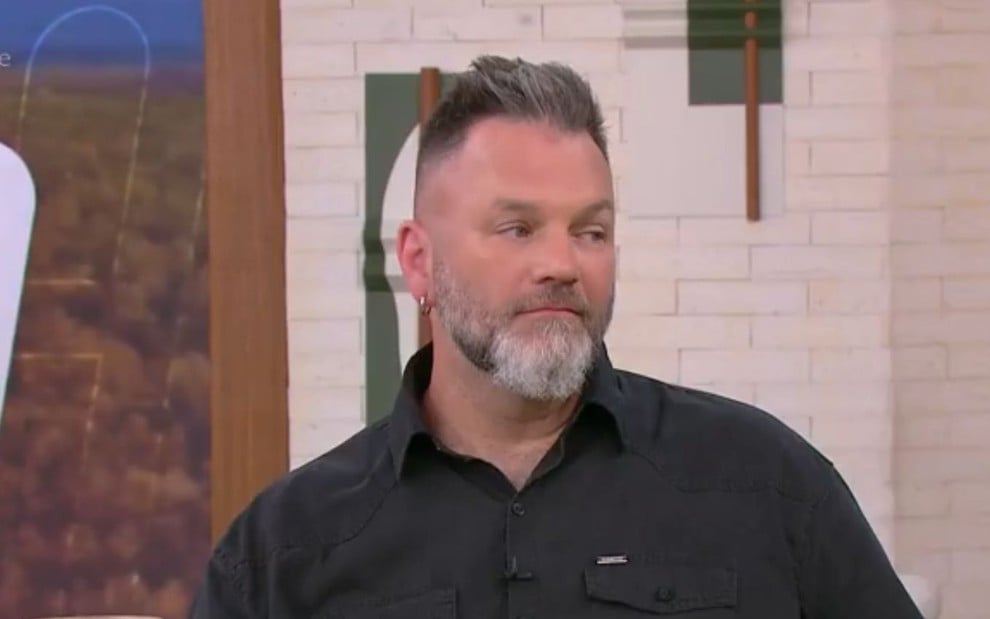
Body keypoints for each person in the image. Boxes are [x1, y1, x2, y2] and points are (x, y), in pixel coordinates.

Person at [189, 55, 924, 618]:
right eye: (517, 228)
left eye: (590, 230)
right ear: (419, 259)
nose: (562, 264)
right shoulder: (284, 553)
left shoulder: (768, 486)